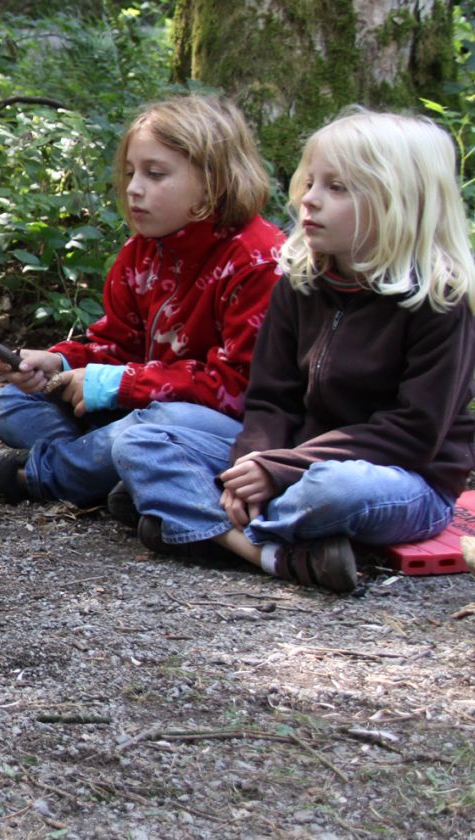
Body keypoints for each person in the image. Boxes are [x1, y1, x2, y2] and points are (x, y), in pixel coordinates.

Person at [112, 109, 475, 593]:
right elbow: (270, 398)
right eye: (311, 182)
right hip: (291, 455)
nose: (310, 200)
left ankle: (192, 520)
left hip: (402, 479)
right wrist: (254, 460)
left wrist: (277, 469)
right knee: (144, 439)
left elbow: (413, 433)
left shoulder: (439, 300)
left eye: (338, 188)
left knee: (335, 490)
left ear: (399, 202)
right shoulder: (300, 282)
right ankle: (269, 554)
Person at [0, 94, 283, 507]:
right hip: (144, 411)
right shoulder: (142, 253)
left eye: (155, 174)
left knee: (149, 429)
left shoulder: (258, 261)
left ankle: (31, 475)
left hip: (223, 431)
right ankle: (118, 475)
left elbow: (236, 391)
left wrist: (118, 383)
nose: (135, 188)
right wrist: (63, 363)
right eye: (130, 172)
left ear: (215, 181)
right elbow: (118, 346)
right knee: (18, 401)